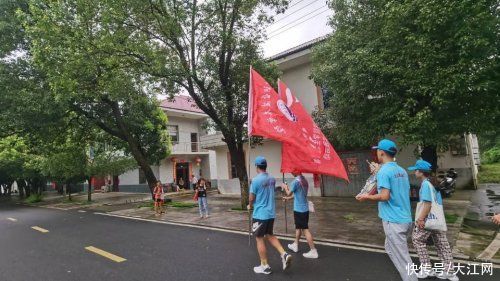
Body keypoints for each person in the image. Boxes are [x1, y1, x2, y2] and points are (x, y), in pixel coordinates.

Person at [356, 139, 417, 281]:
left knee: (403, 260)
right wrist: (379, 171)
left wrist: (366, 196)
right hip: (406, 218)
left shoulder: (384, 172)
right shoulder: (401, 170)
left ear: (381, 153)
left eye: (377, 150)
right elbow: (403, 191)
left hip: (393, 221)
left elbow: (384, 196)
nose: (376, 152)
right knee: (390, 249)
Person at [409, 160, 458, 281]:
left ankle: (426, 268)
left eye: (416, 170)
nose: (414, 172)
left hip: (427, 220)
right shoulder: (434, 183)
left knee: (417, 240)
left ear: (421, 172)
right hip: (438, 220)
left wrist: (421, 219)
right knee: (442, 244)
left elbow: (427, 204)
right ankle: (450, 272)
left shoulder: (426, 184)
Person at [247, 156, 292, 275]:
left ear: (257, 166)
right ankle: (284, 253)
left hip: (260, 214)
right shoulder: (271, 179)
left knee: (259, 238)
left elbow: (251, 197)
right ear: (265, 166)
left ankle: (265, 265)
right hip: (270, 213)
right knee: (270, 235)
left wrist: (250, 205)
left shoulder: (255, 180)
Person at [282, 172, 318, 259]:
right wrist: (288, 199)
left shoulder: (296, 181)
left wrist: (285, 187)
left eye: (292, 171)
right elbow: (298, 194)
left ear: (296, 171)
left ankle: (313, 250)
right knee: (298, 227)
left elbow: (289, 193)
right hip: (305, 209)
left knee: (305, 230)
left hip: (299, 210)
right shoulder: (304, 180)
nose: (291, 173)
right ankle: (296, 244)